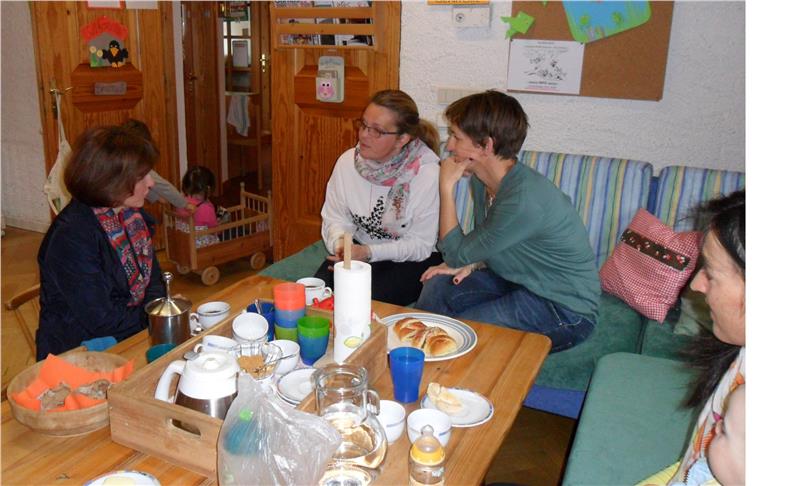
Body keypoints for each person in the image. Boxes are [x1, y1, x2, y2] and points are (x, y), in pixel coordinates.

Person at [415, 90, 599, 352]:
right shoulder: (484, 180)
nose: (449, 146)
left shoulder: (523, 199)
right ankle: (415, 356)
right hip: (515, 279)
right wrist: (474, 261)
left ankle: (443, 367)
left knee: (463, 334)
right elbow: (486, 242)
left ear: (486, 146)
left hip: (563, 308)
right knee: (437, 287)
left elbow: (455, 254)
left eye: (456, 136)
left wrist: (445, 187)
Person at [37, 125, 166, 360]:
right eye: (141, 176)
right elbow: (103, 321)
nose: (151, 183)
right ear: (110, 181)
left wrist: (156, 312)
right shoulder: (71, 237)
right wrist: (155, 316)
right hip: (81, 353)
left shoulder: (132, 218)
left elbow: (154, 283)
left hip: (130, 334)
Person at [313, 89, 443, 306]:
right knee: (318, 296)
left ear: (402, 138)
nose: (364, 135)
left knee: (357, 303)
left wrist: (368, 253)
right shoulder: (347, 163)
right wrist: (341, 244)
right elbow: (335, 217)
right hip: (360, 249)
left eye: (377, 131)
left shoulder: (427, 174)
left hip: (410, 259)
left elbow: (420, 245)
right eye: (363, 125)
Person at [120, 119, 190, 212]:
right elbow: (163, 186)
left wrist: (156, 197)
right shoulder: (136, 164)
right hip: (122, 210)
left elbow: (137, 186)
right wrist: (184, 204)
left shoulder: (121, 159)